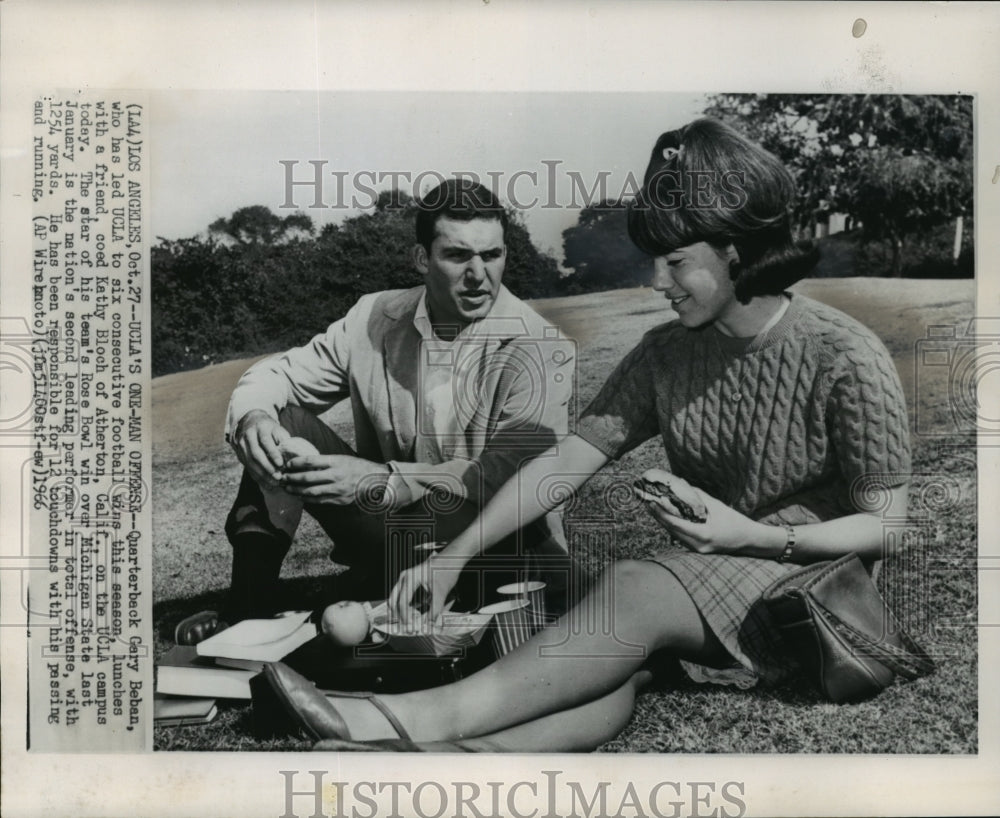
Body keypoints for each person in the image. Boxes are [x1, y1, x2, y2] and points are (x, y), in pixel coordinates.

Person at [261, 118, 912, 751]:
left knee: (632, 587)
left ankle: (395, 720)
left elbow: (885, 526)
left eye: (676, 262)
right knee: (611, 660)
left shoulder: (844, 353)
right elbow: (561, 465)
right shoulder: (667, 353)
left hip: (819, 604)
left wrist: (756, 537)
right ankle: (465, 759)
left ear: (735, 251)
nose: (657, 281)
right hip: (714, 584)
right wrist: (452, 557)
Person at [175, 179, 575, 644]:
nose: (478, 275)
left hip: (496, 551)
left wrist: (381, 479)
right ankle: (246, 610)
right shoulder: (374, 316)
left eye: (491, 255)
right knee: (280, 423)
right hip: (393, 538)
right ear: (422, 259)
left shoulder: (540, 345)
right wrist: (253, 419)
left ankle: (404, 601)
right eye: (458, 255)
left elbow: (517, 477)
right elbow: (277, 375)